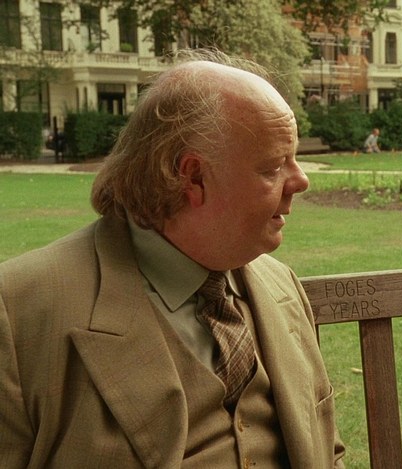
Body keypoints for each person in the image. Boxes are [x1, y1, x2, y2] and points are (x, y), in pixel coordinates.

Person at [0, 49, 345, 468]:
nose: (301, 180)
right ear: (192, 177)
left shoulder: (280, 284)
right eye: (273, 167)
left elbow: (327, 451)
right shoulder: (18, 311)